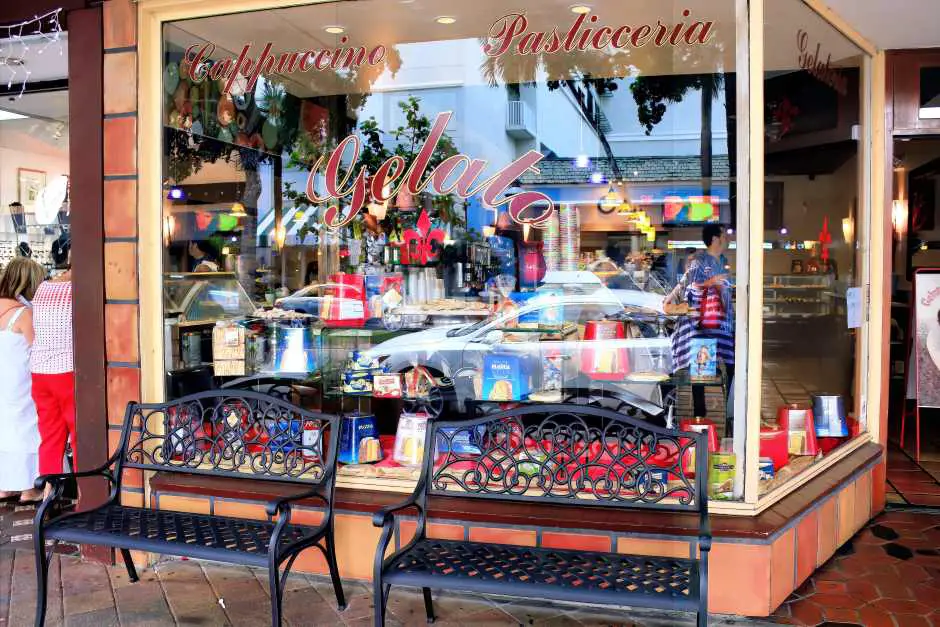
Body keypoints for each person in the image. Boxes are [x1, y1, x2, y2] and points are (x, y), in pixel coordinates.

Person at [665, 224, 735, 419]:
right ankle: (701, 426)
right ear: (715, 239)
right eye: (724, 235)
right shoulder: (700, 262)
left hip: (721, 329)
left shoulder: (720, 260)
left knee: (729, 372)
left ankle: (728, 420)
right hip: (704, 330)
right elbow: (693, 291)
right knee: (701, 381)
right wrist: (711, 283)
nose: (727, 239)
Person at [0, 257, 47, 503]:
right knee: (29, 428)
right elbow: (39, 349)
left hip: (3, 383)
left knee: (5, 429)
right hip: (22, 381)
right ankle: (30, 488)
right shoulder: (24, 314)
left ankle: (5, 487)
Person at [31, 238, 74, 496]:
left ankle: (47, 496)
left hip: (40, 372)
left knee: (50, 437)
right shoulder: (76, 290)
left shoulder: (43, 288)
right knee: (79, 438)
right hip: (66, 369)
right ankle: (85, 499)